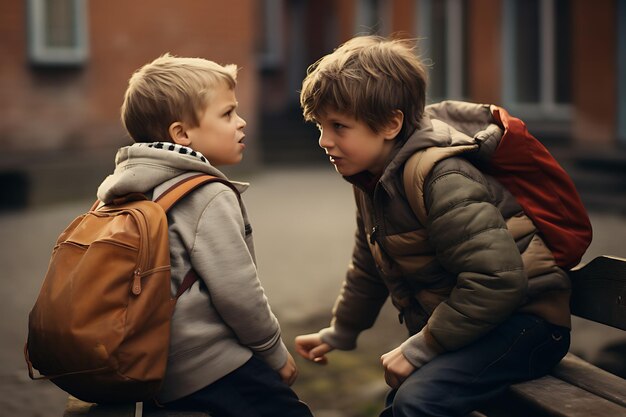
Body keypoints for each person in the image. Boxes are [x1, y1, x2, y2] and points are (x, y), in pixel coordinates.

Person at [294, 35, 572, 417]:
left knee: (418, 402)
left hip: (528, 326)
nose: (325, 141)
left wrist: (421, 346)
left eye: (339, 126)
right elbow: (368, 264)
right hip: (477, 323)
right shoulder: (371, 179)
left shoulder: (442, 178)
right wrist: (341, 331)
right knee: (403, 402)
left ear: (391, 124)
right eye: (320, 126)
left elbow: (498, 280)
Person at [97, 53, 313, 417]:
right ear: (182, 135)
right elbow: (239, 293)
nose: (242, 123)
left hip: (154, 367)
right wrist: (274, 352)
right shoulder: (206, 194)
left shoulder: (124, 190)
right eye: (227, 114)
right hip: (210, 365)